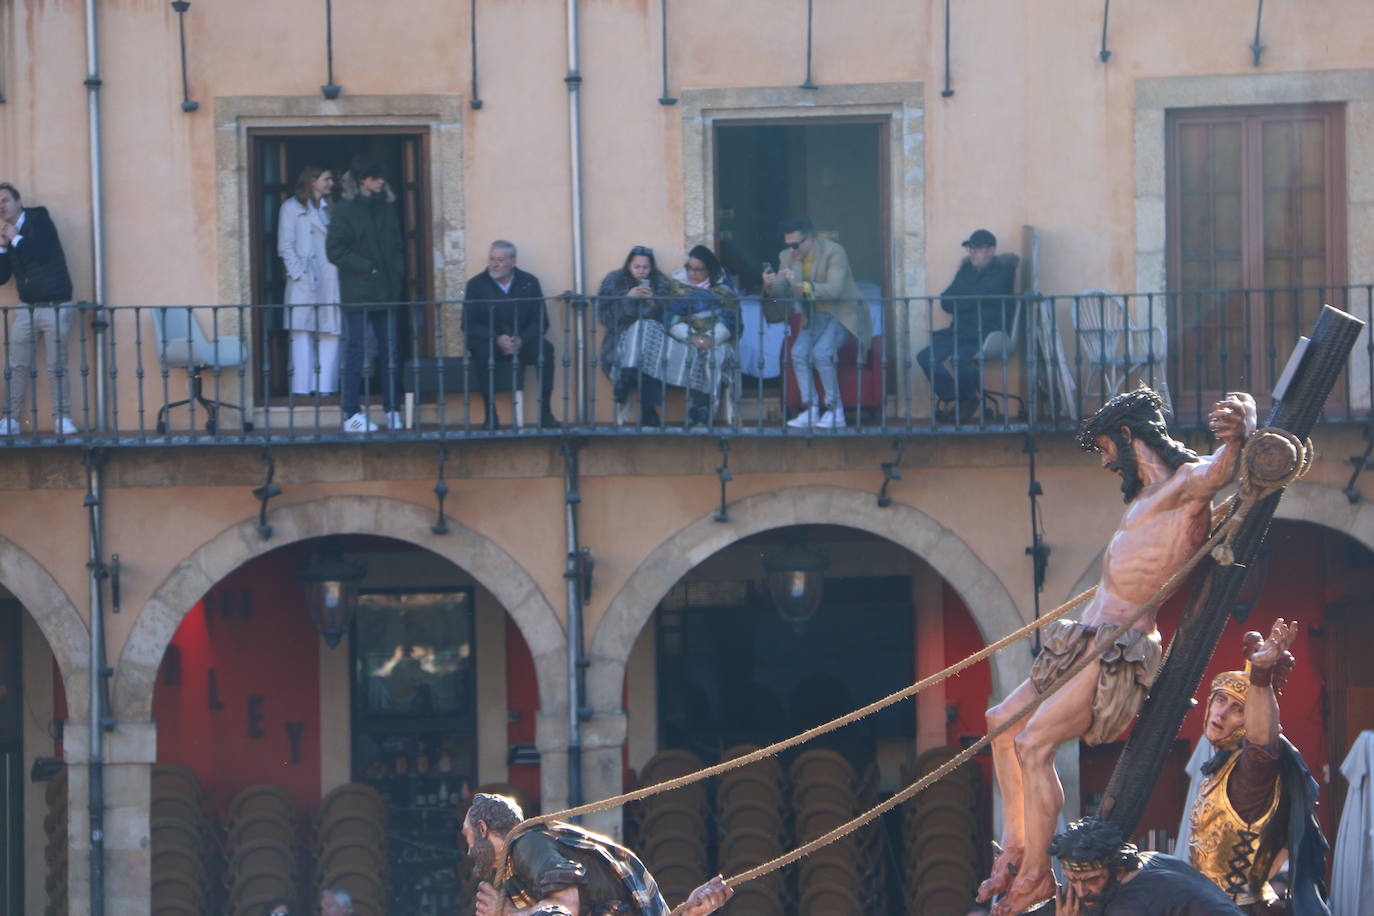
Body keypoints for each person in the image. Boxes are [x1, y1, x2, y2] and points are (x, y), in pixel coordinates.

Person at [979, 386, 1257, 916]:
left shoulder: (1183, 485)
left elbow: (1222, 470)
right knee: (1001, 723)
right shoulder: (1145, 498)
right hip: (1082, 638)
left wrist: (1244, 423)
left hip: (1116, 647)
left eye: (1106, 447)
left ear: (1129, 437)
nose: (1106, 461)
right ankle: (1017, 846)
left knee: (1035, 746)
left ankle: (1038, 875)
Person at [1185, 622, 1331, 915]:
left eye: (1238, 709)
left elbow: (1261, 743)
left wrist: (1261, 678)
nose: (1221, 713)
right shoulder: (1221, 767)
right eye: (1220, 700)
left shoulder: (1251, 773)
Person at [464, 791, 733, 916]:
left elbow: (563, 908)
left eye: (467, 838)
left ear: (482, 828)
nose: (468, 852)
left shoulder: (526, 845)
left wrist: (512, 915)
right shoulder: (516, 868)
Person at [762, 217, 871, 430]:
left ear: (809, 239)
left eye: (795, 245)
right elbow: (780, 294)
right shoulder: (786, 256)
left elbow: (834, 290)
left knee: (822, 353)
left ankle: (835, 411)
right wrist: (768, 288)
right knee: (798, 354)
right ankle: (810, 410)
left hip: (842, 313)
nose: (791, 250)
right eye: (788, 245)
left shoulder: (834, 251)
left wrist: (800, 285)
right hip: (813, 316)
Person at [326, 156, 405, 433]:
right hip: (359, 291)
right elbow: (334, 250)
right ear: (362, 180)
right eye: (375, 177)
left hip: (387, 291)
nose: (381, 181)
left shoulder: (386, 208)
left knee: (390, 351)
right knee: (356, 351)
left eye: (381, 177)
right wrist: (368, 269)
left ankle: (393, 409)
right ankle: (350, 414)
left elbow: (396, 247)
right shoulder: (344, 210)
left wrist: (396, 277)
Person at [917, 228, 1018, 424]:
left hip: (987, 333)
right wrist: (969, 300)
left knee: (960, 358)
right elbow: (946, 300)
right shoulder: (965, 271)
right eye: (970, 249)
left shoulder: (1004, 271)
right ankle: (959, 397)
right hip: (959, 331)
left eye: (977, 249)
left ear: (991, 250)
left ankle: (969, 400)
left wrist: (964, 300)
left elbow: (986, 294)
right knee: (925, 357)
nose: (972, 252)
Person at [0, 182, 77, 436]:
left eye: (5, 200)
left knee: (57, 365)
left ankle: (62, 419)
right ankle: (10, 419)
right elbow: (2, 277)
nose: (1, 206)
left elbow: (41, 253)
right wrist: (2, 246)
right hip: (27, 308)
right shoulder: (9, 234)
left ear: (18, 202)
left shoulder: (39, 219)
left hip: (56, 305)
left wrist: (14, 238)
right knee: (16, 365)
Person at [1051, 816, 1242, 915]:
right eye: (1072, 881)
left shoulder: (1129, 907)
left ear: (1117, 870)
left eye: (1091, 880)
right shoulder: (1151, 859)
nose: (1081, 892)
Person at [463, 240, 557, 429]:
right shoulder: (476, 285)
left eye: (500, 260)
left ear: (513, 262)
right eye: (492, 259)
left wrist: (521, 340)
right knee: (481, 351)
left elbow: (540, 321)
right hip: (490, 342)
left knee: (545, 350)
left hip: (522, 341)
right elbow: (469, 323)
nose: (494, 264)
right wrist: (496, 338)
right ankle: (491, 415)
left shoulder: (529, 282)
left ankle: (546, 413)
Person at [278, 166, 341, 396]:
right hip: (304, 279)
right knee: (301, 333)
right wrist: (299, 274)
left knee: (330, 331)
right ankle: (302, 389)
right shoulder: (291, 208)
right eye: (327, 178)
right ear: (313, 181)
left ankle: (325, 387)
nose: (331, 183)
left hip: (329, 276)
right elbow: (285, 245)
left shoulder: (330, 210)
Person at [597, 246, 676, 427]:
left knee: (646, 331)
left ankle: (627, 377)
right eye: (637, 267)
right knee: (641, 334)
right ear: (629, 266)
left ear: (651, 268)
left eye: (645, 267)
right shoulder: (613, 282)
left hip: (654, 342)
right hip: (620, 342)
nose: (641, 271)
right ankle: (649, 412)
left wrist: (653, 304)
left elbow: (669, 319)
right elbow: (606, 319)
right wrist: (627, 298)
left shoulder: (661, 284)